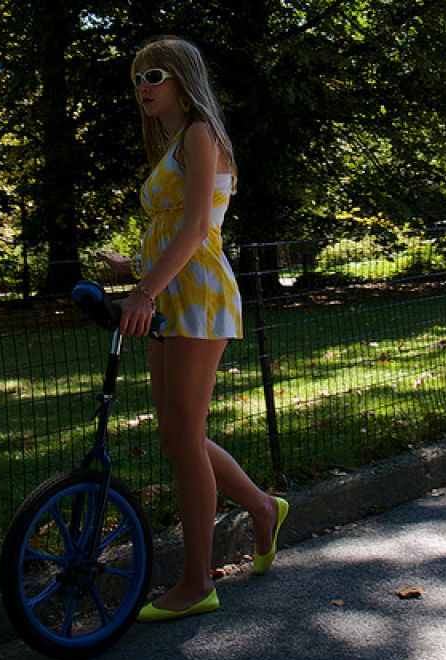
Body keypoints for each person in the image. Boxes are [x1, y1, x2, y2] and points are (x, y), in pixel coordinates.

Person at [99, 36, 289, 622]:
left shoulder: (202, 134)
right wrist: (134, 270)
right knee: (178, 436)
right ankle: (262, 507)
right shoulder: (176, 144)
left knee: (184, 437)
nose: (142, 86)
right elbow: (171, 231)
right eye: (136, 78)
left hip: (197, 297)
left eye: (153, 74)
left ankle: (196, 582)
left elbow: (197, 228)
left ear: (183, 77)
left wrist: (144, 290)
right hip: (170, 295)